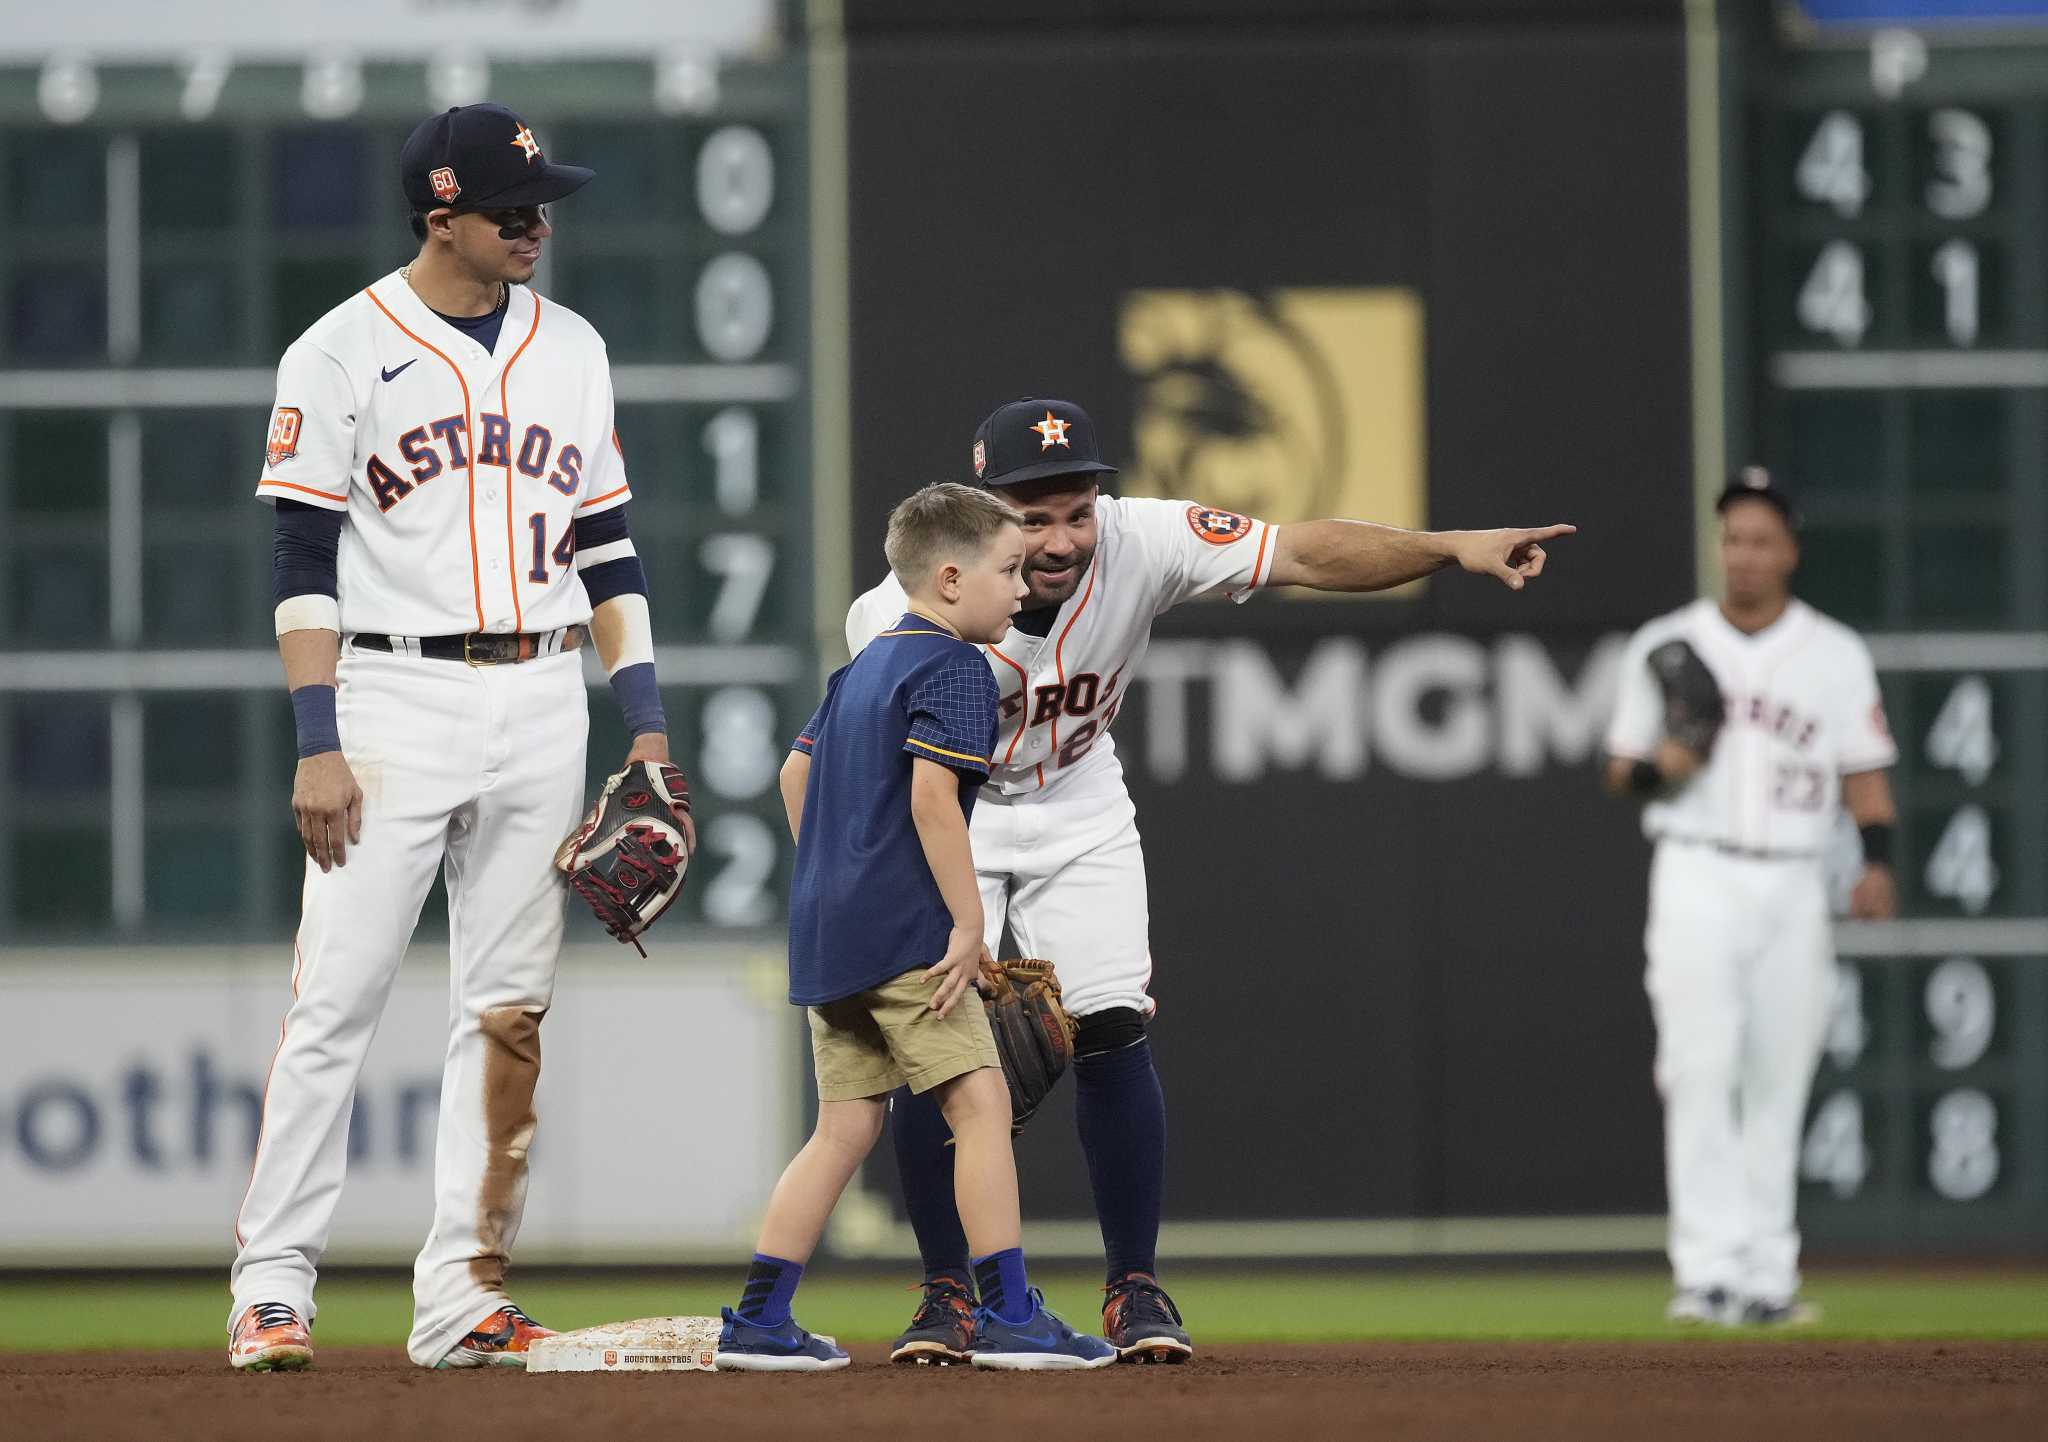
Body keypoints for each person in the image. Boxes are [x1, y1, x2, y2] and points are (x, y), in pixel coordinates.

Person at [852, 398, 1575, 1365]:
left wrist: (1450, 547)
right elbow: (866, 767)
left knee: (1110, 1024)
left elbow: (1309, 552)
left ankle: (1133, 1287)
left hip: (1076, 798)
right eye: (1033, 516)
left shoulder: (1144, 539)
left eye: (1077, 509)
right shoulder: (899, 609)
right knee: (932, 1050)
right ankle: (948, 1295)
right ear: (982, 511)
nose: (1062, 537)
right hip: (953, 814)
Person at [229, 103, 672, 1371]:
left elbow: (609, 547)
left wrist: (642, 724)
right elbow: (300, 555)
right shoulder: (339, 349)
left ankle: (463, 1294)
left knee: (508, 1009)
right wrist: (318, 739)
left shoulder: (573, 346)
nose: (537, 225)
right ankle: (272, 1285)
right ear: (440, 215)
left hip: (543, 694)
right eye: (511, 208)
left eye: (543, 204)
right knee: (337, 995)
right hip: (391, 699)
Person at [713, 482, 1115, 1372]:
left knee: (842, 1130)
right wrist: (968, 923)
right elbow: (934, 796)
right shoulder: (956, 667)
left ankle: (759, 1319)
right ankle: (1010, 1314)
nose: (1022, 588)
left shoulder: (860, 667)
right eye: (1007, 569)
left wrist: (837, 874)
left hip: (830, 933)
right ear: (945, 578)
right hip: (907, 936)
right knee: (981, 1106)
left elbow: (792, 778)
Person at [1602, 465, 1899, 1327]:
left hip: (1797, 878)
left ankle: (1769, 1273)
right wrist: (1666, 765)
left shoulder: (1836, 653)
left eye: (1762, 539)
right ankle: (1707, 1273)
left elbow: (1866, 777)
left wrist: (1876, 862)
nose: (1744, 554)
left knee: (1781, 1072)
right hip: (1696, 867)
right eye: (1732, 537)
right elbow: (1620, 770)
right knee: (1699, 1067)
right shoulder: (1669, 643)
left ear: (1791, 551)